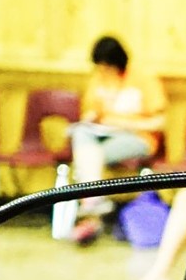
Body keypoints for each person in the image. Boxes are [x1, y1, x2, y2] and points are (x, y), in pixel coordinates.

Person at [69, 34, 165, 246]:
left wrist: (123, 123)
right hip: (103, 135)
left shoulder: (143, 79)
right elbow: (92, 111)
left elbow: (159, 122)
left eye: (107, 67)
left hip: (138, 137)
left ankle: (91, 206)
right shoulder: (98, 79)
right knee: (81, 135)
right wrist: (91, 118)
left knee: (88, 156)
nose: (103, 72)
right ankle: (94, 203)